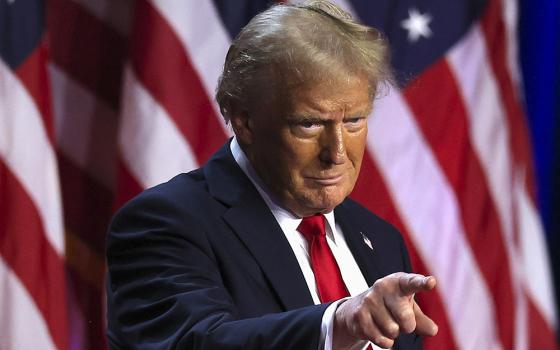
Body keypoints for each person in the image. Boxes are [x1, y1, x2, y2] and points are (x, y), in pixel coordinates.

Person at [106, 1, 438, 349]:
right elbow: (199, 342)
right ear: (244, 121)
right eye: (309, 124)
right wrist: (339, 322)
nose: (337, 153)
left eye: (354, 120)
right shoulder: (163, 223)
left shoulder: (381, 240)